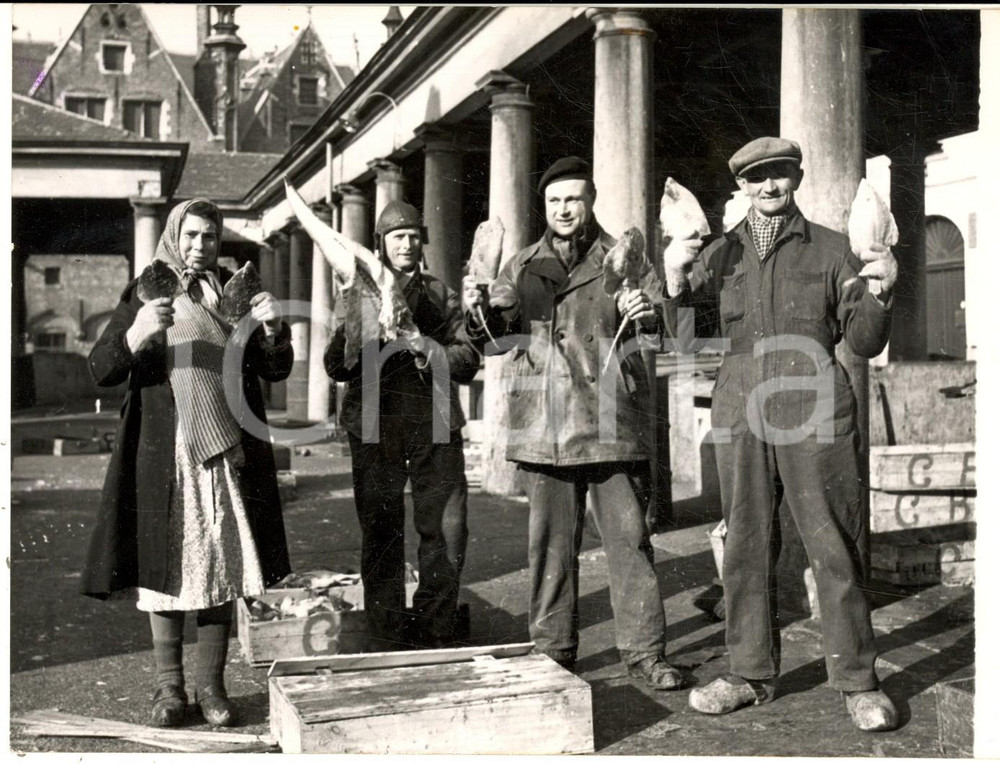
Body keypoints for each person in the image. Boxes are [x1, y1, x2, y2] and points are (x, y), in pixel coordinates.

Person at [662, 137, 900, 731]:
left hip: (815, 404)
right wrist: (673, 282)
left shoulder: (831, 248)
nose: (769, 187)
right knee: (744, 544)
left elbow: (866, 341)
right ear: (740, 186)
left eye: (780, 175)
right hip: (742, 409)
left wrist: (882, 289)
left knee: (834, 544)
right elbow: (689, 345)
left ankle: (857, 681)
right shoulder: (717, 257)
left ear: (796, 177)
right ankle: (748, 674)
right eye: (757, 178)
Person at [462, 156, 684, 691]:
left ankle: (645, 653)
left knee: (630, 543)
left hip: (612, 419)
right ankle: (553, 649)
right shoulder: (519, 266)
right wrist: (478, 309)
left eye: (574, 199)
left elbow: (665, 332)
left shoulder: (625, 257)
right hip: (545, 424)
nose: (564, 209)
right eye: (555, 201)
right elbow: (493, 345)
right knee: (550, 547)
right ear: (545, 207)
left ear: (591, 201)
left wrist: (646, 310)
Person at [81, 198, 293, 728]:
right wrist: (137, 333)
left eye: (210, 237)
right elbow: (101, 368)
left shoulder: (233, 294)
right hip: (167, 449)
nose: (201, 247)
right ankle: (169, 689)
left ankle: (213, 688)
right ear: (176, 236)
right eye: (192, 236)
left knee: (221, 565)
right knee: (168, 564)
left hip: (225, 449)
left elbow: (275, 369)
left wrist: (272, 329)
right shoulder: (145, 291)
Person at [325, 200, 478, 651]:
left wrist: (423, 345)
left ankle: (438, 626)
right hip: (375, 424)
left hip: (434, 421)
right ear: (381, 244)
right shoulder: (355, 293)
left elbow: (467, 359)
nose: (407, 243)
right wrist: (353, 326)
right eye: (397, 236)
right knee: (381, 530)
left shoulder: (440, 295)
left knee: (446, 528)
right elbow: (336, 365)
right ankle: (385, 631)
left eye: (414, 235)